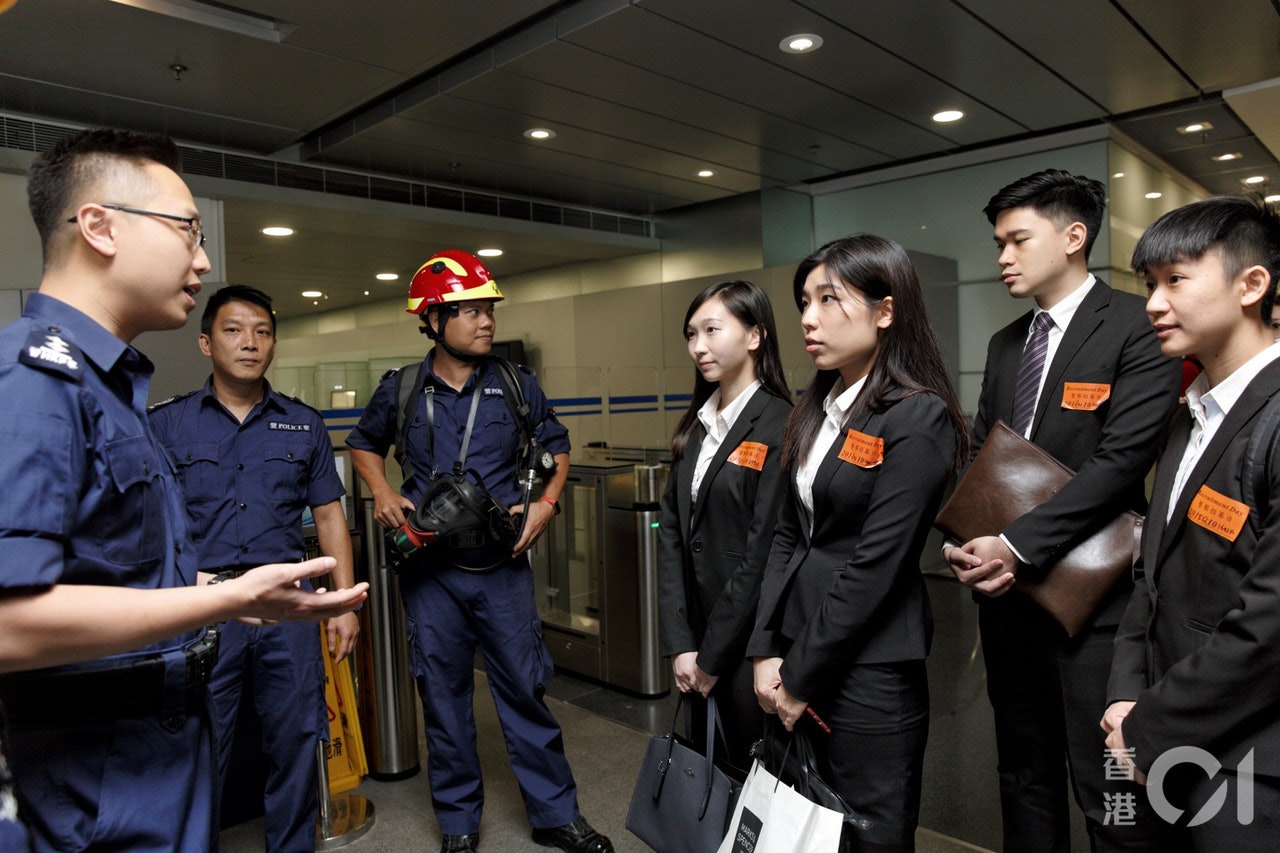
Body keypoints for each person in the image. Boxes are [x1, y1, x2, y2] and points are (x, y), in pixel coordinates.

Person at [0, 127, 366, 852]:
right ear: (99, 226)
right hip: (100, 780)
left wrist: (193, 580)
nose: (201, 258)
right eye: (185, 230)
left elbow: (105, 564)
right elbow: (8, 625)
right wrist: (226, 596)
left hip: (150, 754)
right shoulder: (35, 381)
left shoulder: (111, 391)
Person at [943, 169, 1181, 851]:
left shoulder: (1139, 328)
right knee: (1022, 772)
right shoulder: (1006, 344)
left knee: (1111, 784)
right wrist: (966, 537)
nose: (1003, 258)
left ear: (1074, 236)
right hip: (1010, 602)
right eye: (998, 243)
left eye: (1018, 239)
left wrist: (1013, 543)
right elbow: (983, 461)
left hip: (1097, 602)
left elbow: (1118, 465)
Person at [347, 250, 612, 853]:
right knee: (443, 702)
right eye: (469, 310)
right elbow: (363, 445)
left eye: (488, 309)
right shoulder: (403, 389)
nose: (485, 321)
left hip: (502, 570)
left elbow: (557, 445)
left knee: (525, 691)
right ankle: (460, 826)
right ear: (434, 321)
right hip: (432, 574)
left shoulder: (517, 385)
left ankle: (555, 816)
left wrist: (546, 504)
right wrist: (383, 489)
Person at [749, 234, 969, 852]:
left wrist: (800, 675)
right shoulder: (816, 407)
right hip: (798, 647)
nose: (808, 319)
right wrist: (767, 649)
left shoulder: (917, 417)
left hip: (871, 668)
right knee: (802, 823)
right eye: (803, 302)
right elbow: (787, 535)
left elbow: (877, 563)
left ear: (886, 309)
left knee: (869, 832)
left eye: (828, 299)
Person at [149, 284, 361, 852]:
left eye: (263, 332)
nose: (250, 343)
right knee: (199, 747)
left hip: (289, 608)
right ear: (205, 342)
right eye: (234, 330)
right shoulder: (167, 425)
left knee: (294, 740)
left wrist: (341, 604)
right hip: (205, 608)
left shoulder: (303, 424)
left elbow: (329, 517)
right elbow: (153, 527)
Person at [1103, 194, 1280, 849]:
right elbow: (1150, 568)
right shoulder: (1190, 413)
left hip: (1249, 761)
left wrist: (1150, 725)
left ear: (1251, 284)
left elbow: (1268, 627)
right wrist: (1125, 697)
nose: (1153, 302)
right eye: (1149, 283)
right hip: (1165, 737)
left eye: (1175, 280)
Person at [657, 280, 793, 772]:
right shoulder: (698, 423)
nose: (698, 346)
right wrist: (681, 642)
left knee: (749, 781)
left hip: (747, 646)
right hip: (695, 643)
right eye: (691, 334)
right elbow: (671, 534)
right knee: (705, 778)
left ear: (755, 335)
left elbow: (762, 552)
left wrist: (712, 656)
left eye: (712, 330)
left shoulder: (781, 423)